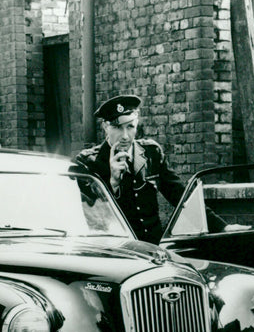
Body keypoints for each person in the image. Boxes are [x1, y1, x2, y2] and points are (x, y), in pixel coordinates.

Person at [73, 95, 186, 243]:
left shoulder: (152, 152)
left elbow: (181, 196)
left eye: (130, 127)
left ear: (137, 125)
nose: (125, 136)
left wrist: (222, 226)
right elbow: (90, 213)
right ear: (105, 127)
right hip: (115, 249)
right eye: (117, 127)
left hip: (153, 248)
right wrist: (112, 183)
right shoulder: (88, 162)